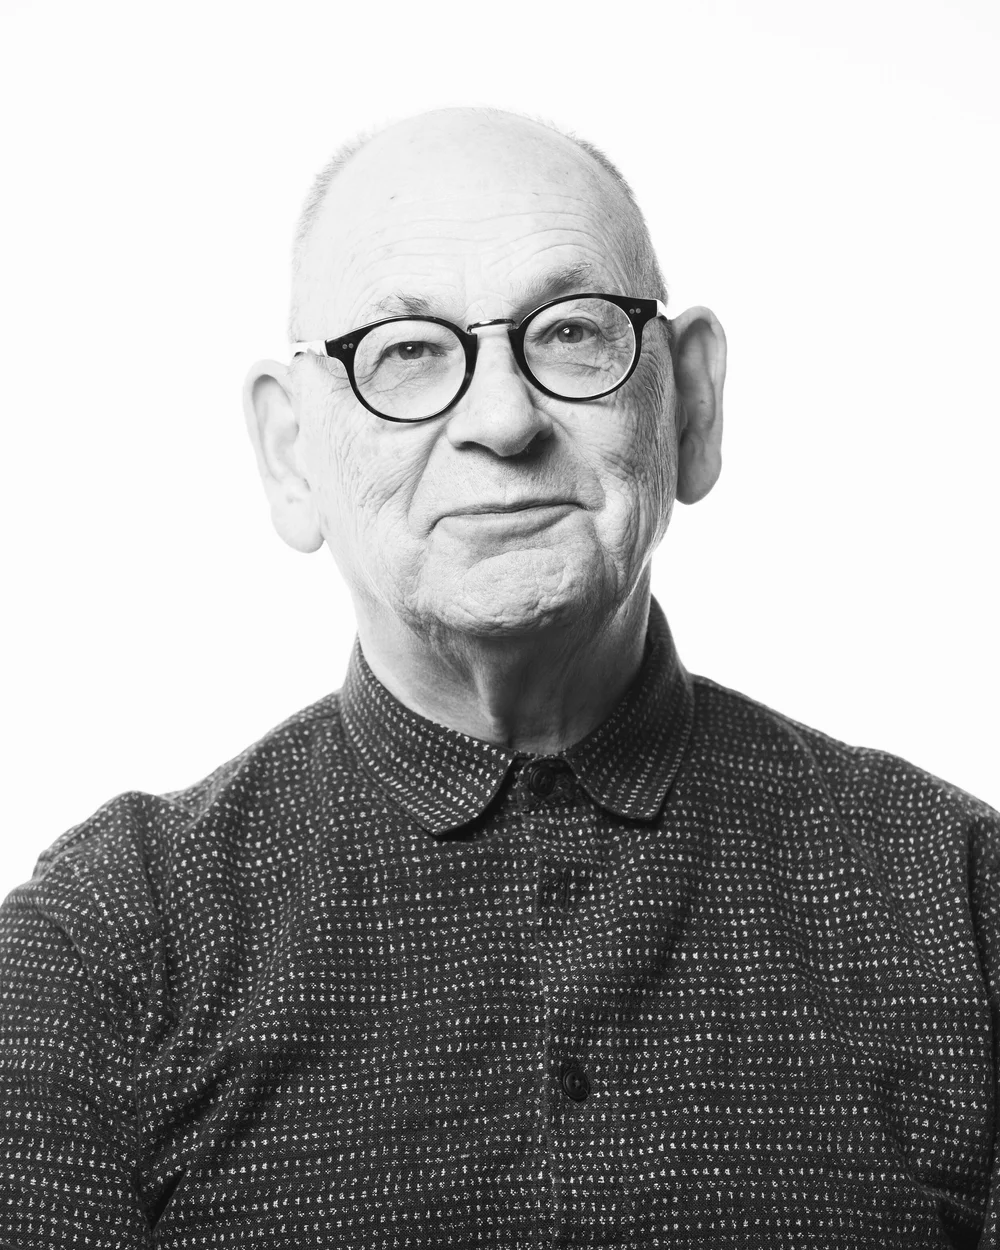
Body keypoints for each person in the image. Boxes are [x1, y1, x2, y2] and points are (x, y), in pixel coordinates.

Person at [0, 106, 997, 1249]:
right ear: (290, 455)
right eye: (407, 353)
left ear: (691, 403)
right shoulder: (105, 949)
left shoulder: (962, 903)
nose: (503, 417)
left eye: (572, 333)